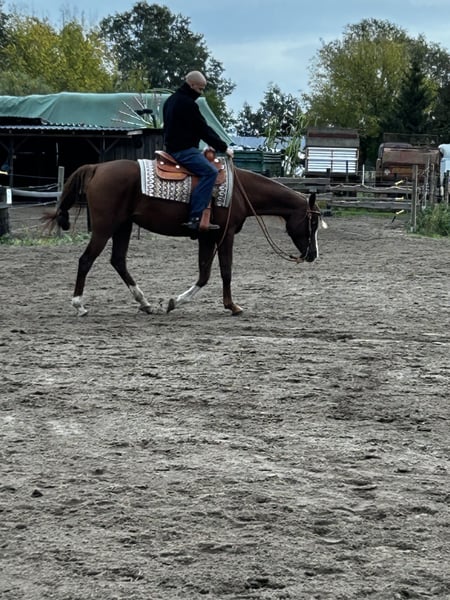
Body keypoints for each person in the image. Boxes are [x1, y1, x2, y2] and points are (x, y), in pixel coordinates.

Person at [162, 70, 234, 231]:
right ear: (192, 85)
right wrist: (224, 148)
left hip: (173, 148)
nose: (201, 92)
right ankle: (195, 217)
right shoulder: (188, 104)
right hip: (184, 151)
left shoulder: (170, 100)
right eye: (200, 89)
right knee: (210, 172)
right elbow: (203, 129)